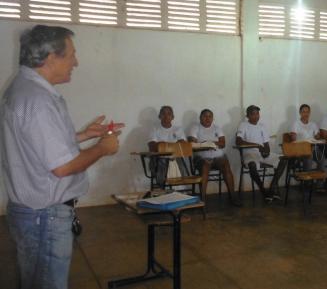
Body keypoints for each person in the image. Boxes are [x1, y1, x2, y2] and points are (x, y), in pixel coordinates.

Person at [0, 25, 123, 289]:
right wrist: (104, 147)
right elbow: (62, 166)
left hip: (34, 213)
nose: (76, 62)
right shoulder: (38, 101)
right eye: (71, 55)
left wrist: (82, 135)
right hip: (44, 216)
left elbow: (37, 144)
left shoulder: (24, 89)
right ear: (50, 58)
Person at [188, 109, 241, 206]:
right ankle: (203, 198)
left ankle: (233, 196)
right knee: (205, 166)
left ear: (212, 118)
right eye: (205, 116)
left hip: (217, 157)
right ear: (200, 118)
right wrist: (207, 145)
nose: (207, 119)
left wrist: (208, 143)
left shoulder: (217, 128)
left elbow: (223, 143)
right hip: (201, 158)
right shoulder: (195, 128)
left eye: (210, 116)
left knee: (225, 164)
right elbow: (193, 144)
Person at [236, 105, 287, 202]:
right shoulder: (243, 125)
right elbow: (238, 141)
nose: (256, 116)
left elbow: (266, 143)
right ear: (248, 116)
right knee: (252, 165)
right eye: (253, 114)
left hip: (262, 154)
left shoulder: (262, 126)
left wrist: (266, 151)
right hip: (249, 154)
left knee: (283, 159)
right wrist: (256, 145)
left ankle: (272, 187)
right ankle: (263, 191)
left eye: (257, 114)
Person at [147, 105, 194, 190]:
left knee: (180, 161)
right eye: (163, 114)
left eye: (169, 114)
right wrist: (174, 145)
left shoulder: (178, 129)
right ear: (159, 116)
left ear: (172, 117)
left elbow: (183, 146)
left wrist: (163, 145)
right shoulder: (154, 129)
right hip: (159, 159)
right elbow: (152, 147)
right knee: (163, 162)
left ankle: (180, 192)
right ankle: (165, 190)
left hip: (176, 158)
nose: (166, 116)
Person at [289, 104, 323, 170]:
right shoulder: (296, 123)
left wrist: (318, 136)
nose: (306, 114)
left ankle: (320, 180)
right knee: (309, 157)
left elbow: (317, 137)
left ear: (309, 113)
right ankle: (307, 179)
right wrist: (293, 136)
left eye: (307, 112)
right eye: (303, 112)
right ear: (300, 113)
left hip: (313, 148)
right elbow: (293, 139)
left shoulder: (313, 124)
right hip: (301, 149)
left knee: (322, 158)